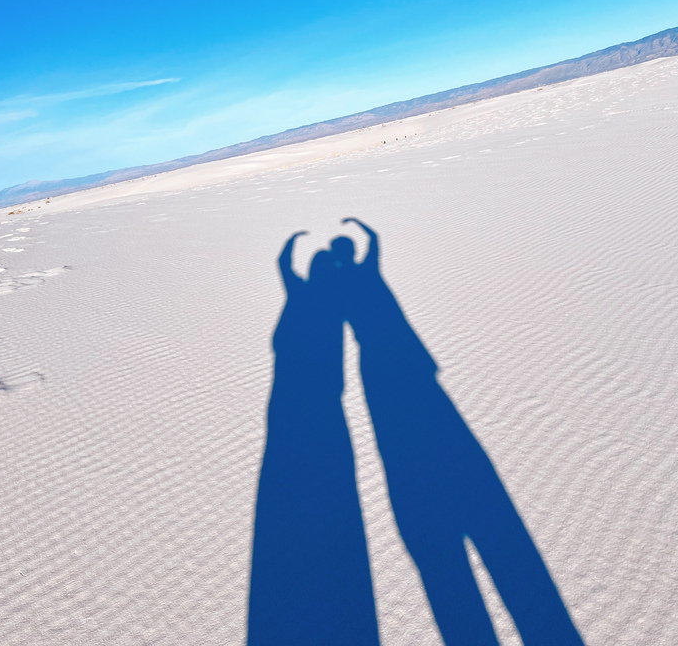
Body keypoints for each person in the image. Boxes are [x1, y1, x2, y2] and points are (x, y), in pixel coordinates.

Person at [337, 218, 584, 646]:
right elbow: (374, 241)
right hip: (410, 366)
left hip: (379, 369)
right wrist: (357, 227)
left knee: (396, 440)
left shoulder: (341, 289)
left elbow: (304, 282)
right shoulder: (367, 273)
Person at [248, 232, 379, 645]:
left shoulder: (304, 294)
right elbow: (363, 269)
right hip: (318, 406)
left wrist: (291, 242)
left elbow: (284, 266)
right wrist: (367, 241)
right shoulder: (335, 298)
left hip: (293, 405)